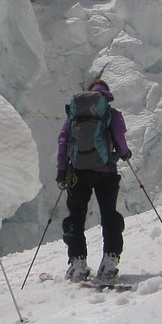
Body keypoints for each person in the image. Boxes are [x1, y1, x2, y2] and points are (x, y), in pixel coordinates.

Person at [55, 79, 132, 282]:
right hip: (106, 172)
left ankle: (78, 262)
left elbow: (63, 141)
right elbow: (119, 137)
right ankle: (110, 260)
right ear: (105, 95)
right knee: (109, 215)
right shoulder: (110, 113)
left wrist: (62, 169)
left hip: (78, 173)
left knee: (76, 216)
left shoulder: (74, 117)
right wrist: (124, 153)